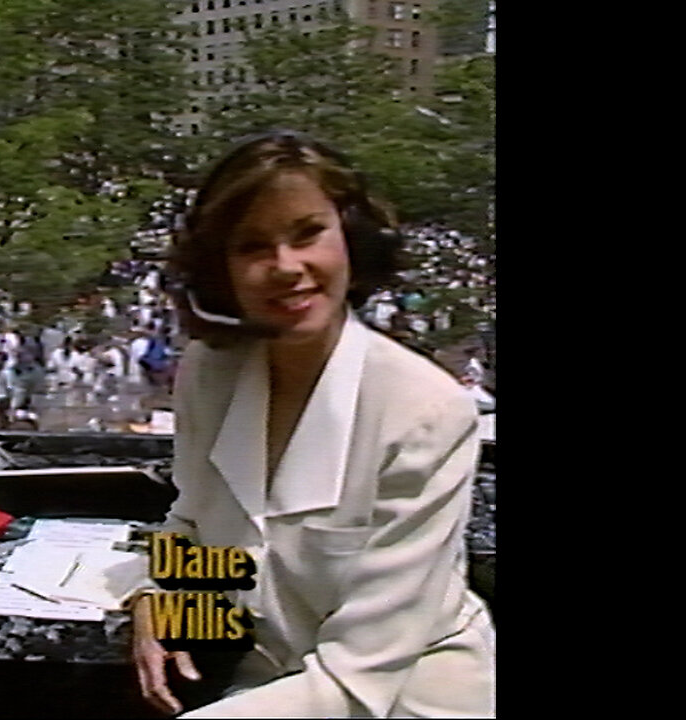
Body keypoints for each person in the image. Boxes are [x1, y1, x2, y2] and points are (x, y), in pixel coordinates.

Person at [132, 131, 494, 717]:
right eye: (252, 246)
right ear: (220, 269)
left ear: (350, 239)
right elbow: (194, 521)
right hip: (262, 691)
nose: (284, 267)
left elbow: (360, 676)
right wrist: (161, 597)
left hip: (403, 701)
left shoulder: (426, 412)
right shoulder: (210, 369)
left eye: (307, 234)